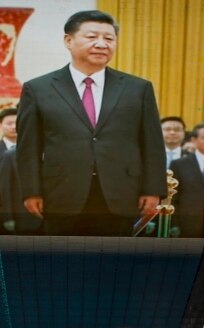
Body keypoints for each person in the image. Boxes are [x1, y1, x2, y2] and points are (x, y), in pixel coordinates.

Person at [16, 11, 167, 236]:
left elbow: (152, 144)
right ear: (68, 41)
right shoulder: (39, 89)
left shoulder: (138, 89)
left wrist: (153, 190)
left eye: (109, 38)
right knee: (63, 263)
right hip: (61, 194)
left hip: (121, 194)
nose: (101, 44)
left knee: (114, 265)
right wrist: (31, 192)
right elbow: (28, 148)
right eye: (92, 37)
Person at [168, 122, 204, 235]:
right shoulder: (179, 164)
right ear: (194, 140)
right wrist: (174, 224)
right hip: (186, 224)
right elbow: (173, 196)